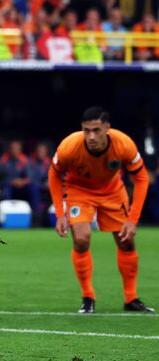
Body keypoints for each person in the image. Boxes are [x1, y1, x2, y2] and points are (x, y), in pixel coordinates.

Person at [49, 107, 153, 313]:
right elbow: (54, 175)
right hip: (79, 191)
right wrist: (60, 214)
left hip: (113, 192)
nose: (91, 136)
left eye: (96, 130)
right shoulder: (69, 146)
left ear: (107, 128)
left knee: (126, 242)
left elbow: (142, 178)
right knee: (81, 239)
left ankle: (131, 298)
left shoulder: (124, 144)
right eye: (86, 130)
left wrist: (133, 219)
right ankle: (88, 297)